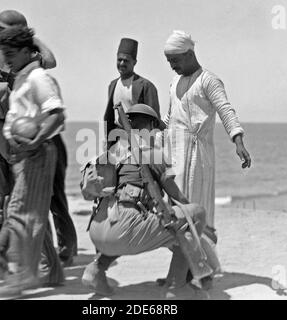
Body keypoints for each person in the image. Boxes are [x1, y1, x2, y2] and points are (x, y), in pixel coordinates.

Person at [0, 9, 77, 265]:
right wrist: (31, 37)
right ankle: (44, 258)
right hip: (18, 136)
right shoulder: (19, 57)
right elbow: (51, 61)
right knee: (33, 199)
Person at [82, 103, 210, 296]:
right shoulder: (152, 153)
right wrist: (196, 222)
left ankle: (95, 271)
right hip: (124, 230)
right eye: (155, 129)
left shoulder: (110, 153)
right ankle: (177, 288)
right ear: (150, 126)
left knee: (140, 218)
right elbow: (176, 195)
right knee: (195, 214)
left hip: (97, 230)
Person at [0, 25, 66, 296]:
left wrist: (35, 140)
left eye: (10, 52)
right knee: (32, 212)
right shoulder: (20, 77)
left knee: (20, 212)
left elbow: (56, 114)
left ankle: (22, 277)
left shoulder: (38, 78)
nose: (5, 58)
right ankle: (52, 271)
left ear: (25, 51)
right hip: (22, 155)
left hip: (37, 154)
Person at [163, 30, 251, 235]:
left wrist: (238, 141)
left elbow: (225, 110)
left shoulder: (208, 80)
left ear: (189, 54)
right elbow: (169, 117)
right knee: (176, 210)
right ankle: (184, 258)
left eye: (175, 60)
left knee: (196, 205)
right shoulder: (174, 83)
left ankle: (200, 257)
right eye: (168, 62)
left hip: (197, 156)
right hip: (174, 154)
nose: (172, 66)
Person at [104, 38, 161, 143]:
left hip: (139, 140)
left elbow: (154, 119)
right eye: (119, 59)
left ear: (134, 62)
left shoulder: (146, 86)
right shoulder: (113, 85)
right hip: (117, 139)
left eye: (126, 60)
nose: (121, 63)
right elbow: (111, 117)